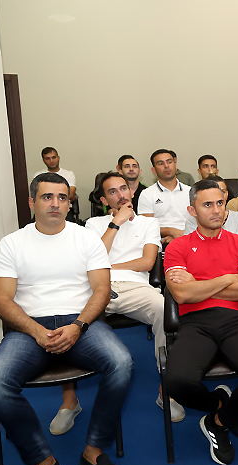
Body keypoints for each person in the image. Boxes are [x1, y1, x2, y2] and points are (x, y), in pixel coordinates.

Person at [0, 172, 132, 465]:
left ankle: (93, 452)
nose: (55, 203)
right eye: (47, 197)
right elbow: (1, 301)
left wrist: (78, 325)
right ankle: (43, 462)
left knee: (122, 363)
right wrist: (37, 331)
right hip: (29, 327)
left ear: (69, 202)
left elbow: (102, 290)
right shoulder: (12, 243)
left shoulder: (87, 239)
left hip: (80, 323)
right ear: (32, 202)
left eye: (62, 197)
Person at [163, 179, 238, 465]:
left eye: (220, 203)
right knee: (177, 382)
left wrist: (199, 284)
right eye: (207, 204)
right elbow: (181, 295)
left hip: (236, 320)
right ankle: (220, 404)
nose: (216, 210)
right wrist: (227, 278)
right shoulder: (177, 247)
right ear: (192, 210)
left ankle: (218, 422)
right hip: (195, 323)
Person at [77, 172, 184, 422]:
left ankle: (166, 388)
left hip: (135, 287)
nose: (121, 195)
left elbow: (147, 262)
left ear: (132, 191)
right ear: (104, 200)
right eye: (112, 192)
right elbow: (91, 259)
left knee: (164, 309)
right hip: (97, 288)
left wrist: (108, 266)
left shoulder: (149, 224)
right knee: (65, 314)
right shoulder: (93, 224)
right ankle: (69, 402)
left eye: (124, 188)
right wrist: (116, 223)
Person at [138, 149, 192, 245]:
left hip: (190, 239)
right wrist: (171, 232)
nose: (166, 166)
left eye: (169, 162)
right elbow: (145, 227)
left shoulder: (190, 191)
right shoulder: (147, 194)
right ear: (154, 170)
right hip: (161, 242)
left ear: (175, 165)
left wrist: (181, 237)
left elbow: (200, 221)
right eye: (160, 163)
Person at [184, 176, 238, 240]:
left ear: (227, 194)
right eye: (207, 205)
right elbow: (194, 246)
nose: (216, 211)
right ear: (193, 211)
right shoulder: (192, 220)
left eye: (222, 191)